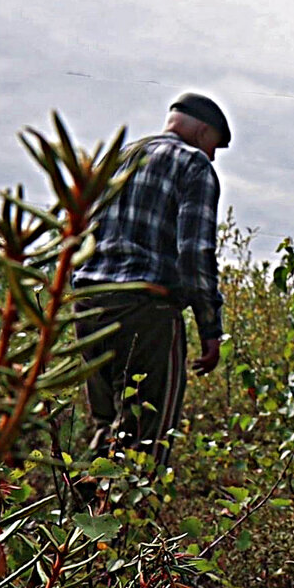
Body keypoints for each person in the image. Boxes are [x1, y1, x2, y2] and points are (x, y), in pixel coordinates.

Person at [72, 92, 229, 468]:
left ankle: (89, 520)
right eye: (214, 147)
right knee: (146, 432)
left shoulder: (115, 160)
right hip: (146, 309)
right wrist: (210, 327)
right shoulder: (192, 165)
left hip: (89, 305)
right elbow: (194, 254)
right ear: (203, 131)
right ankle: (131, 525)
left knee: (106, 425)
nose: (212, 157)